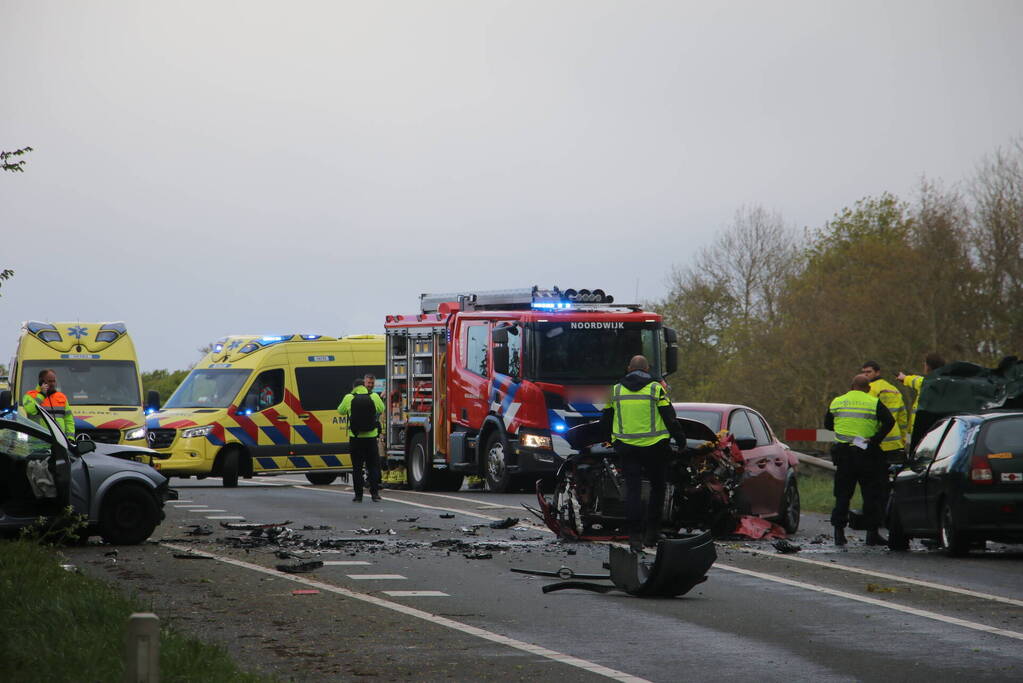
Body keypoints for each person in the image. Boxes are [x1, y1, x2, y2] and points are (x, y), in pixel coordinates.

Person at [600, 355, 685, 553]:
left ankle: (634, 538)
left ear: (628, 368)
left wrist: (608, 440)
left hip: (627, 448)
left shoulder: (615, 390)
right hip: (655, 448)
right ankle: (652, 533)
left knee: (633, 491)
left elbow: (605, 419)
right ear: (647, 369)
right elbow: (670, 418)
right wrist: (680, 441)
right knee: (657, 488)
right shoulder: (656, 389)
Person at [825, 374, 895, 546]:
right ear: (868, 388)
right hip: (867, 453)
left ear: (851, 386)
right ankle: (872, 534)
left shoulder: (837, 401)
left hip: (843, 455)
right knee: (871, 495)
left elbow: (828, 424)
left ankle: (839, 533)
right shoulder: (873, 402)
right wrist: (876, 439)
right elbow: (889, 421)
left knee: (842, 495)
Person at [337, 375, 385, 502]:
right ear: (364, 386)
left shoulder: (349, 397)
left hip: (355, 438)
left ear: (354, 388)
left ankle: (358, 496)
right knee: (373, 466)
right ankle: (374, 494)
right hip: (371, 438)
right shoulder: (373, 396)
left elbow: (340, 411)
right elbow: (382, 408)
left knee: (357, 468)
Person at [860, 360, 908, 465]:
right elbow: (902, 417)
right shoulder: (894, 389)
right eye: (863, 372)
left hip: (877, 441)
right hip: (895, 443)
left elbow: (866, 416)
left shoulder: (869, 389)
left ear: (878, 372)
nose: (865, 375)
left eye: (868, 372)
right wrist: (903, 439)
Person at [896, 352, 945, 443]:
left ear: (927, 366)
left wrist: (904, 378)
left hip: (921, 431)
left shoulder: (925, 383)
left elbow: (915, 380)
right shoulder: (947, 382)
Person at [22, 368, 75, 439]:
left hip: (60, 443)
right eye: (50, 381)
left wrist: (70, 438)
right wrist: (42, 395)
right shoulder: (30, 395)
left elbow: (69, 420)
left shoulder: (62, 397)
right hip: (38, 443)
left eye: (54, 381)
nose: (53, 384)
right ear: (41, 382)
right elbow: (31, 410)